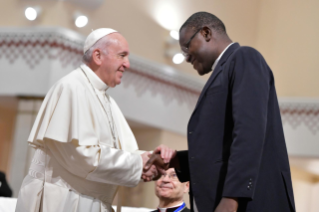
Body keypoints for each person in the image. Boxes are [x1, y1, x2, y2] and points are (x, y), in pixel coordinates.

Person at [146, 12, 296, 212]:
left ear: (206, 33)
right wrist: (177, 160)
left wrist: (231, 198)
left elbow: (248, 133)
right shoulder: (223, 71)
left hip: (250, 203)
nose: (186, 57)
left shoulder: (244, 57)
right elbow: (222, 150)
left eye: (186, 47)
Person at [15, 28, 174, 212]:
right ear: (98, 56)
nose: (127, 64)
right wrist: (141, 163)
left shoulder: (108, 101)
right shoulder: (72, 88)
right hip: (65, 202)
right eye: (122, 56)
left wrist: (152, 159)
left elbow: (124, 152)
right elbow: (82, 155)